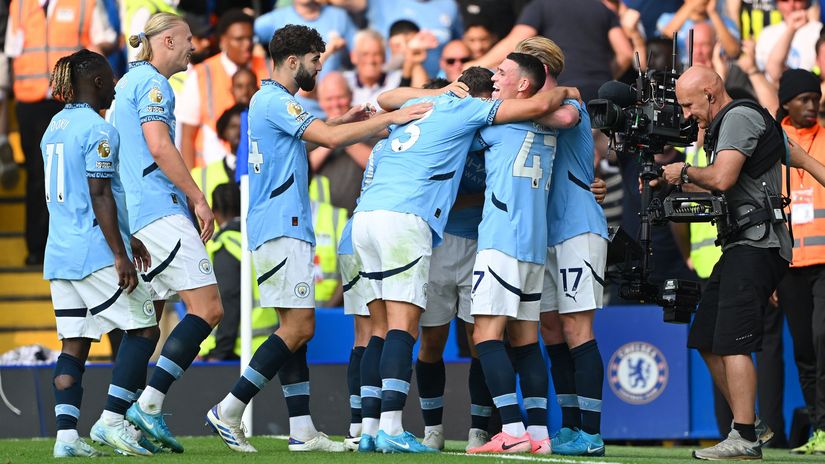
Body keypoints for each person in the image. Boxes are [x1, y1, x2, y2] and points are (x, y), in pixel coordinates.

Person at [204, 24, 432, 454]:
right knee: (299, 326)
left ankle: (302, 429)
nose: (318, 67)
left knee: (293, 329)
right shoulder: (274, 100)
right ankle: (230, 408)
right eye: (314, 60)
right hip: (281, 225)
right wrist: (390, 118)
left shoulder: (272, 103)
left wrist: (342, 121)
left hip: (279, 225)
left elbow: (300, 146)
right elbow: (326, 140)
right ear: (293, 61)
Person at [356, 66, 580, 453]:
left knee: (407, 329)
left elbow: (386, 98)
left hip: (384, 220)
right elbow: (552, 110)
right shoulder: (474, 113)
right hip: (430, 229)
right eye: (492, 88)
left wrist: (440, 94)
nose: (497, 92)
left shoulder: (435, 108)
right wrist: (570, 90)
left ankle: (385, 427)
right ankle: (404, 429)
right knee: (418, 333)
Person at [659, 66, 793, 460]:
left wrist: (682, 169)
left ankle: (745, 434)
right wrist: (671, 181)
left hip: (757, 243)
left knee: (735, 340)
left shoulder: (738, 118)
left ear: (710, 94)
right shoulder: (726, 127)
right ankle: (748, 420)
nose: (685, 114)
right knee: (704, 337)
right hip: (742, 247)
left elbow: (720, 178)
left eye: (688, 105)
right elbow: (792, 156)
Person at [113, 12, 224, 454]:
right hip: (159, 210)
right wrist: (198, 197)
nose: (193, 46)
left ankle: (114, 421)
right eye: (188, 39)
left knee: (147, 319)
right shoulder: (155, 84)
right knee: (209, 307)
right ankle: (150, 404)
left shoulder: (126, 81)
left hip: (135, 214)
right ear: (167, 41)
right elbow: (159, 145)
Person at [42, 49, 159, 457]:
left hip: (59, 254)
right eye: (110, 78)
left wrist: (130, 239)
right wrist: (120, 254)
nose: (114, 84)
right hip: (93, 251)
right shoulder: (98, 129)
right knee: (145, 327)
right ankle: (113, 420)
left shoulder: (54, 126)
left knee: (74, 345)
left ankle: (66, 439)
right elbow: (99, 193)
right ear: (95, 82)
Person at [466, 52, 575, 456]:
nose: (495, 78)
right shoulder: (551, 124)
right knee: (526, 341)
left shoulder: (498, 123)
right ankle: (540, 435)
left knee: (486, 336)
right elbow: (565, 115)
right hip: (532, 247)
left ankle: (511, 430)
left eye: (502, 73)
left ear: (524, 86)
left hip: (501, 241)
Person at [411, 75, 494, 452]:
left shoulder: (495, 130)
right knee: (432, 341)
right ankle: (433, 430)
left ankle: (479, 429)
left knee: (483, 340)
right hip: (439, 246)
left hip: (483, 245)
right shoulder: (439, 133)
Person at [7, 0, 117, 265]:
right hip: (30, 101)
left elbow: (104, 41)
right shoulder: (19, 5)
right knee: (37, 175)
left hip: (69, 101)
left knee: (77, 174)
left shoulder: (85, 3)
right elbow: (12, 52)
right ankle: (37, 248)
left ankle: (83, 239)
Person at [776, 69, 825, 455]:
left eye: (816, 97)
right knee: (804, 349)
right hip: (790, 265)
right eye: (803, 99)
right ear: (786, 103)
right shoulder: (772, 143)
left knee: (824, 340)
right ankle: (820, 428)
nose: (812, 105)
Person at [470, 0, 633, 103]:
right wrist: (600, 76)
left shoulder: (540, 6)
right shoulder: (602, 8)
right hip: (600, 92)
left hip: (562, 91)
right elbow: (625, 54)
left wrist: (471, 66)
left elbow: (515, 42)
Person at [179, 9, 269, 168]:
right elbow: (187, 137)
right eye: (239, 39)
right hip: (212, 174)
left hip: (259, 168)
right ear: (223, 42)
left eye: (250, 39)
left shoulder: (267, 68)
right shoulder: (201, 74)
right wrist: (189, 186)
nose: (247, 45)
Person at [756, 0, 822, 83]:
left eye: (797, 0)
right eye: (785, 0)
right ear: (776, 3)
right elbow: (772, 74)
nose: (791, 5)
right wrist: (791, 29)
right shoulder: (766, 34)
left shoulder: (819, 31)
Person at [343, 30, 402, 110]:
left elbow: (420, 95)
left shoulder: (397, 79)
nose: (371, 60)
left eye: (376, 54)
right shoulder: (344, 82)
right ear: (353, 56)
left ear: (384, 57)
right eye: (365, 54)